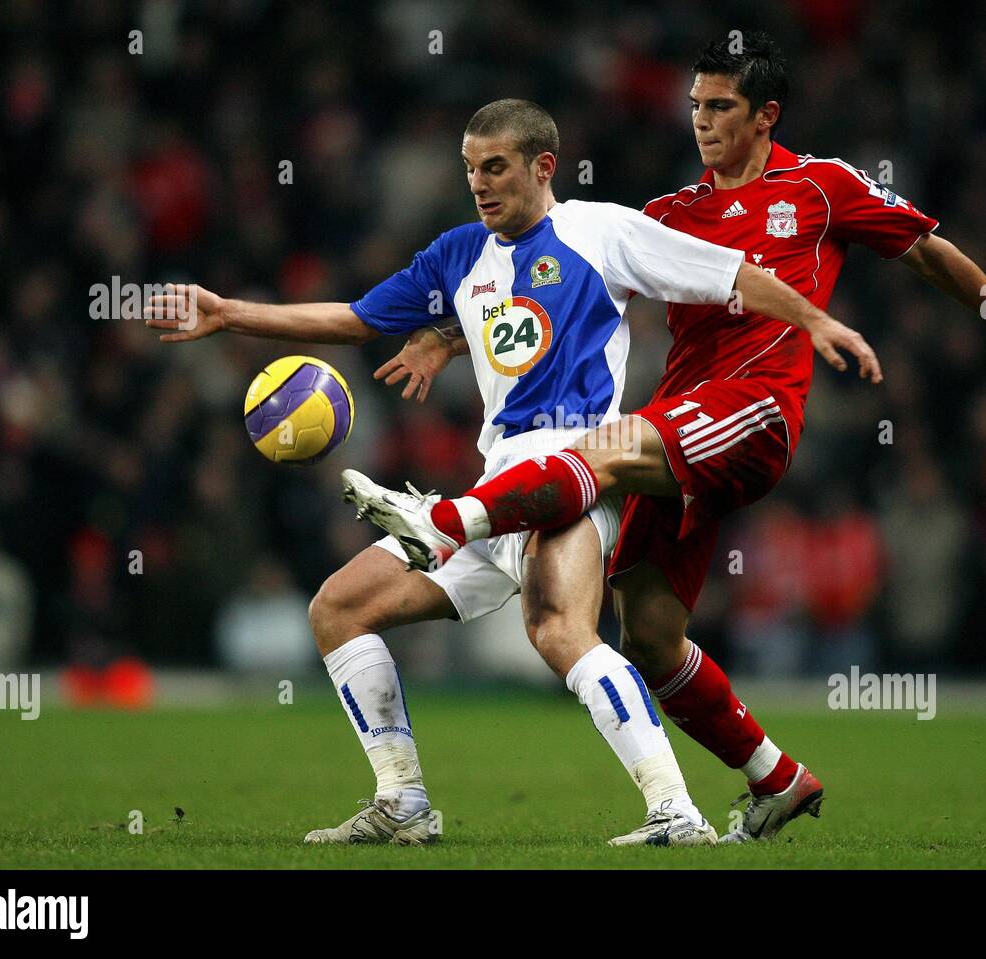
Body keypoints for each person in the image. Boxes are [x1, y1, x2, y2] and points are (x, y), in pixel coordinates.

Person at [360, 35, 986, 843]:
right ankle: (777, 779)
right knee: (646, 631)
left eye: (720, 108)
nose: (703, 124)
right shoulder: (670, 214)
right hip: (675, 431)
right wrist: (444, 336)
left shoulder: (821, 186)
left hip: (755, 409)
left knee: (594, 451)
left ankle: (443, 524)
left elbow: (929, 253)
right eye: (695, 108)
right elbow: (557, 294)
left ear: (765, 115)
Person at [147, 98, 866, 847]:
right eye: (469, 170)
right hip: (496, 479)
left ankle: (674, 811)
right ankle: (403, 800)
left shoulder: (603, 232)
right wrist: (229, 313)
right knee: (338, 607)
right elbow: (358, 320)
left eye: (495, 167)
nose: (480, 184)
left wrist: (813, 319)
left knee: (560, 630)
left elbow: (729, 274)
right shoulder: (458, 254)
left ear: (542, 166)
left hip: (571, 475)